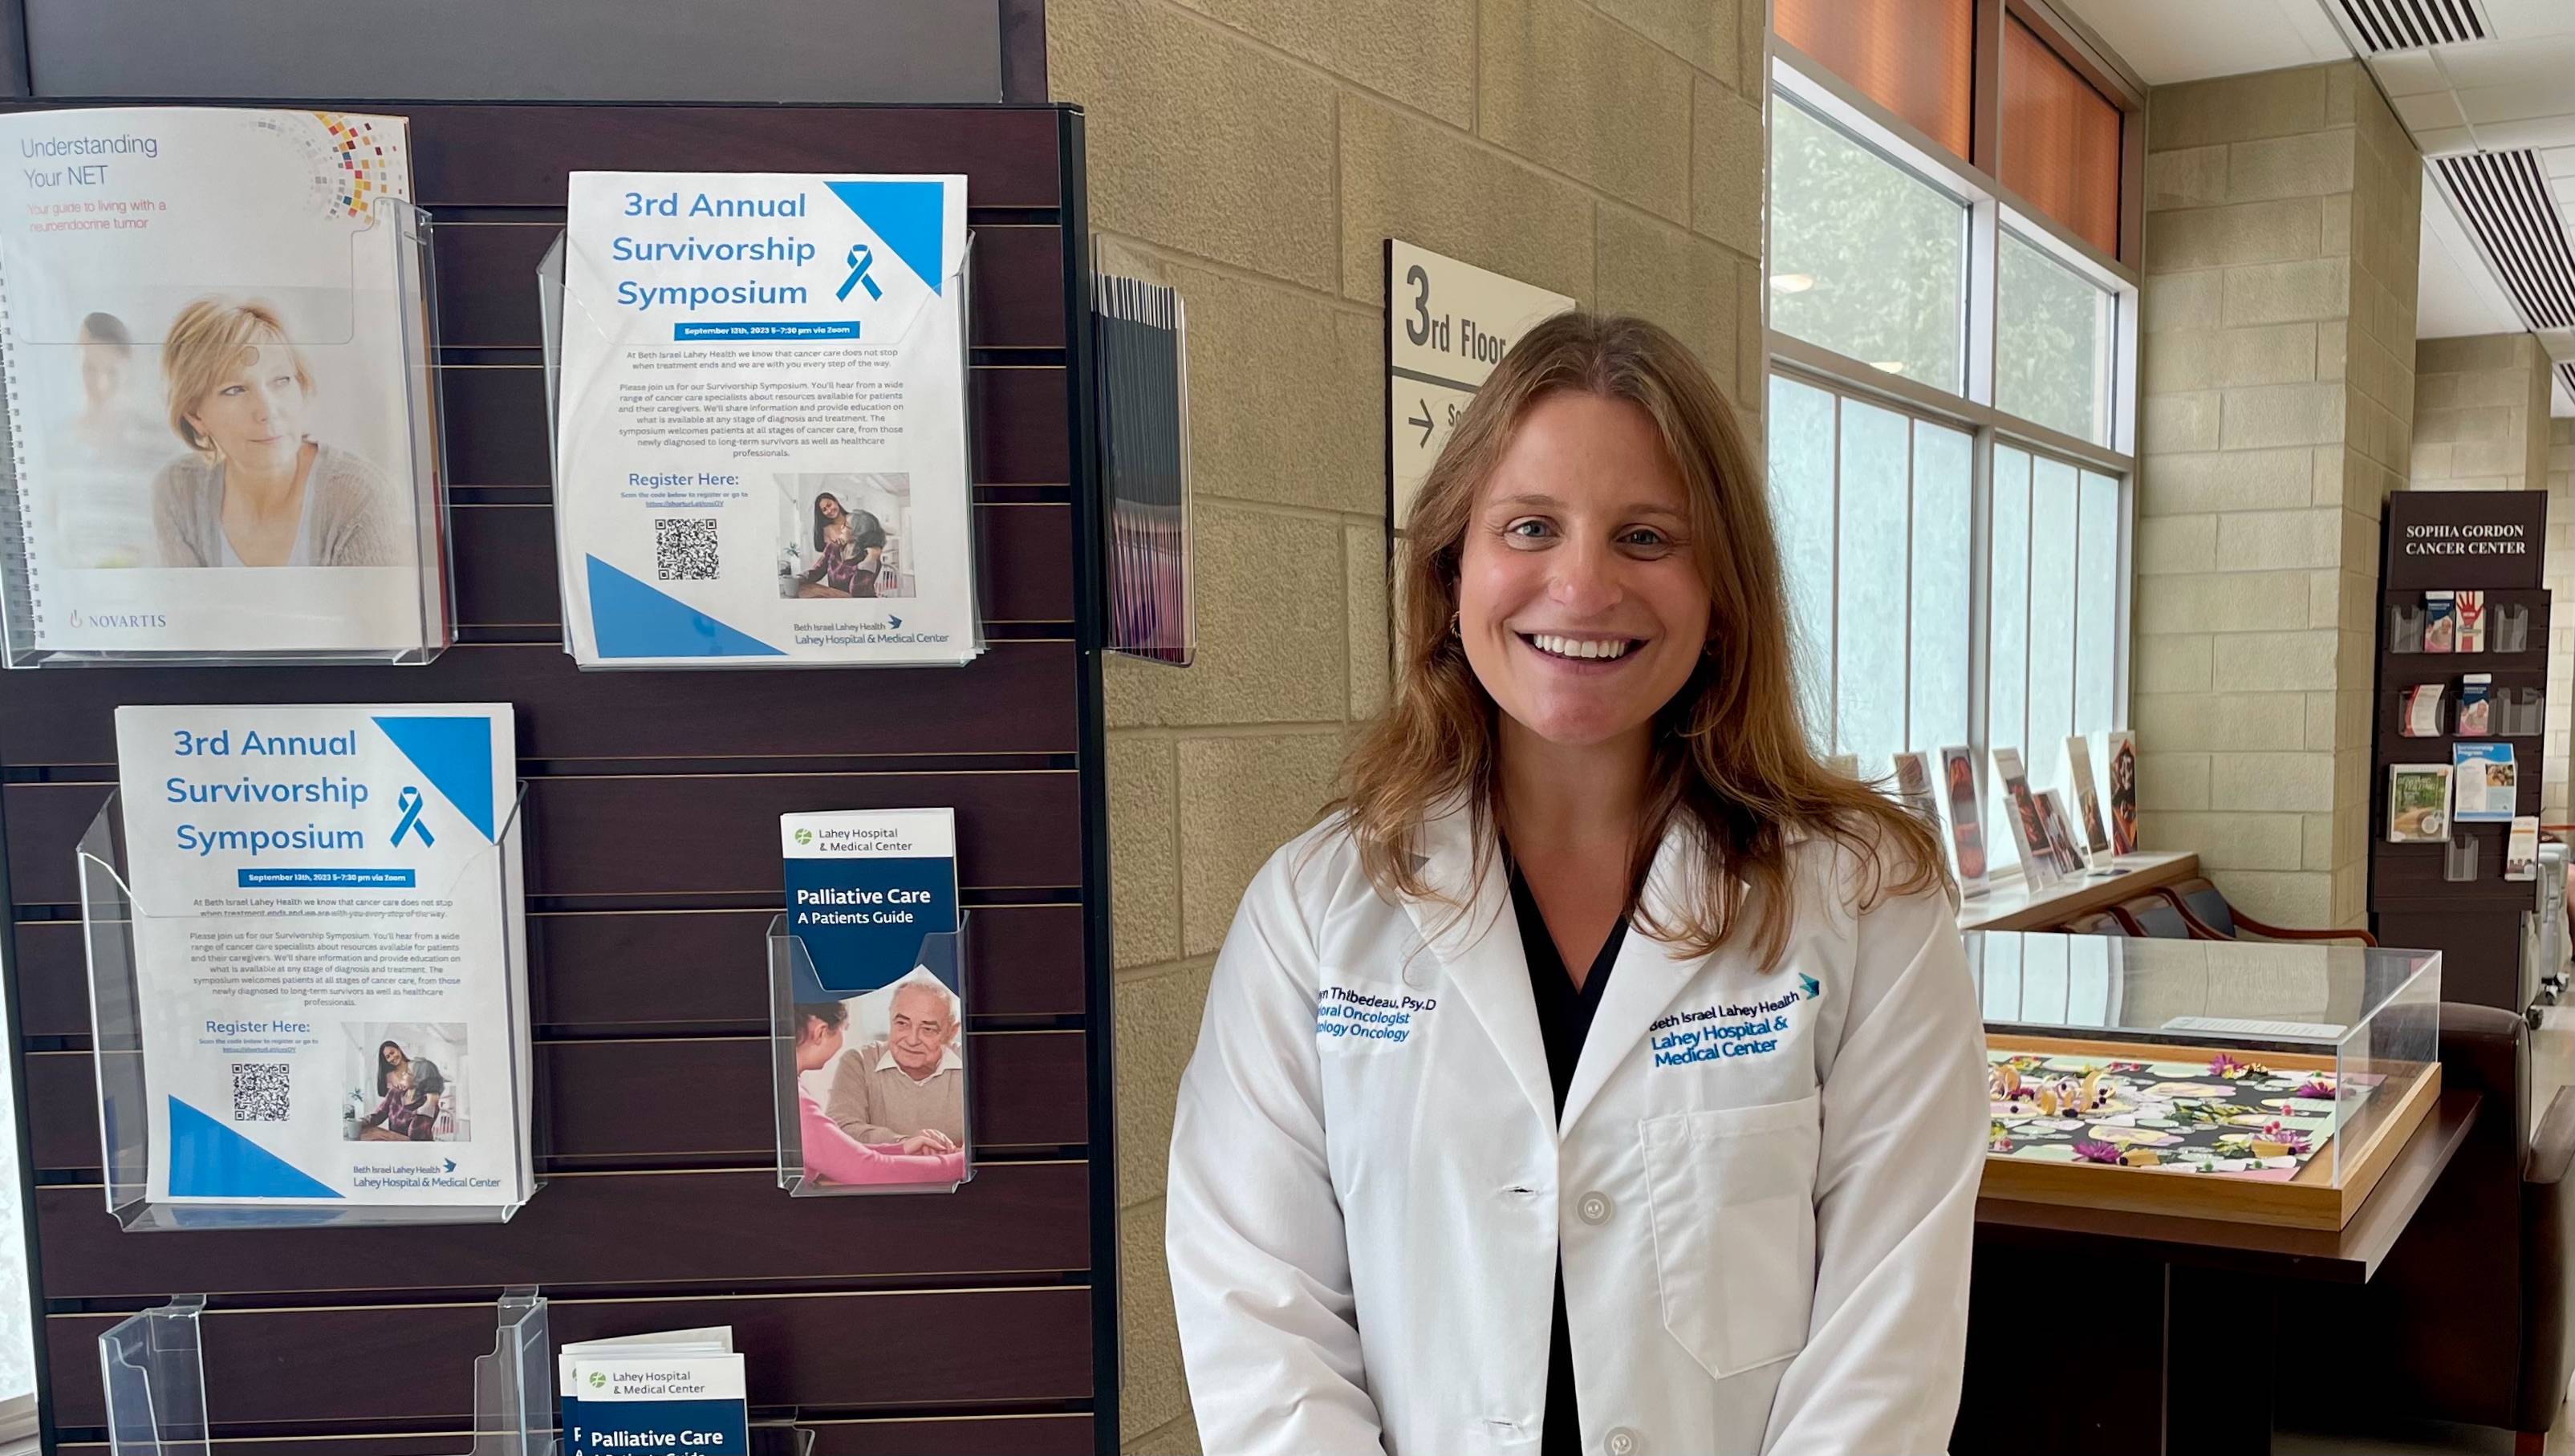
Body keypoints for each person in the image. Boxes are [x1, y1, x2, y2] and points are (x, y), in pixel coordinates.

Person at [1165, 313, 1985, 1456]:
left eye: (1647, 536)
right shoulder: (1316, 912)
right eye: (1531, 526)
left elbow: (1883, 1345)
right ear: (1454, 568)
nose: (1583, 582)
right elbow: (1259, 1309)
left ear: (1723, 588)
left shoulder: (1865, 906)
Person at [149, 296, 399, 568]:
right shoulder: (178, 491)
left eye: (281, 381)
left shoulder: (359, 497)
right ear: (196, 416)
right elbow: (189, 609)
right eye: (235, 390)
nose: (268, 410)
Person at [792, 1000, 965, 1186]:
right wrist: (962, 1162)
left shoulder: (790, 1093)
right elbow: (865, 1169)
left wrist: (902, 1149)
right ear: (820, 1032)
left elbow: (838, 1155)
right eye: (845, 1029)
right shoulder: (797, 1104)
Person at [827, 978, 966, 1147]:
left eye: (928, 1029)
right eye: (902, 1024)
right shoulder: (860, 1062)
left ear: (951, 1032)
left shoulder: (972, 1064)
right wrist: (905, 1143)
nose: (912, 1040)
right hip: (880, 1174)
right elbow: (839, 1130)